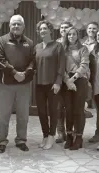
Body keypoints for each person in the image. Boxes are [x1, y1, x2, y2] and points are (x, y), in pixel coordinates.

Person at [0, 15, 36, 153]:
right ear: (9, 26)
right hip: (5, 85)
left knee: (23, 115)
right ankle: (2, 141)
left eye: (19, 24)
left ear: (23, 26)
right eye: (14, 24)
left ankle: (21, 140)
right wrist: (14, 73)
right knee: (3, 115)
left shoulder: (29, 43)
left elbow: (33, 61)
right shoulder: (2, 41)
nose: (16, 27)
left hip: (24, 85)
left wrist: (25, 73)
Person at [35, 20, 66, 150]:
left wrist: (58, 82)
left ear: (50, 30)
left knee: (53, 111)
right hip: (39, 84)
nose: (42, 31)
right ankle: (45, 135)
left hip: (53, 85)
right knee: (41, 112)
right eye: (40, 29)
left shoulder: (58, 46)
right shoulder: (36, 47)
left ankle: (52, 135)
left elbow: (61, 65)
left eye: (45, 29)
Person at [62, 27, 90, 150]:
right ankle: (69, 136)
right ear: (66, 36)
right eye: (69, 34)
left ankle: (79, 137)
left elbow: (84, 65)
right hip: (66, 80)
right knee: (68, 110)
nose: (71, 36)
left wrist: (72, 80)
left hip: (80, 79)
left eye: (74, 34)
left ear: (77, 36)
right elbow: (60, 67)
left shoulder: (83, 49)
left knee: (78, 110)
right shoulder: (63, 49)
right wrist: (67, 81)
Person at [55, 21, 73, 144]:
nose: (63, 29)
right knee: (58, 108)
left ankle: (70, 132)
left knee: (70, 108)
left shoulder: (75, 44)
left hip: (72, 80)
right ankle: (60, 133)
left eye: (66, 27)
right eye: (61, 27)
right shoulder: (55, 44)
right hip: (58, 79)